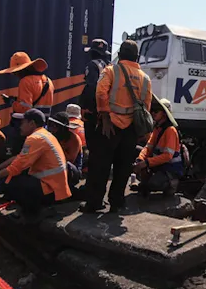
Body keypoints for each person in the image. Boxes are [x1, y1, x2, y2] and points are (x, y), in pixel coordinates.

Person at [80, 40, 152, 213]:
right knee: (123, 167)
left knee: (100, 165)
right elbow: (146, 105)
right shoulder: (145, 78)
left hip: (109, 126)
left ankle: (95, 202)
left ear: (119, 55)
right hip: (131, 129)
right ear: (137, 57)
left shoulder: (111, 70)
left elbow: (100, 91)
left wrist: (104, 115)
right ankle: (117, 203)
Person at [0, 109, 71, 216]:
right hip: (55, 187)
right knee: (12, 179)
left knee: (10, 183)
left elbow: (15, 168)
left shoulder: (35, 139)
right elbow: (18, 158)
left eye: (23, 123)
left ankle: (33, 213)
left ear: (32, 123)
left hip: (50, 189)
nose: (20, 126)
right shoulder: (43, 134)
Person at [133, 97, 183, 196]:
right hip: (159, 166)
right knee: (134, 150)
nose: (153, 113)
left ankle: (171, 184)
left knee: (153, 184)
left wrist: (146, 163)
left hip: (170, 169)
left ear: (164, 114)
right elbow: (148, 147)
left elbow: (167, 156)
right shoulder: (157, 128)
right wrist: (140, 160)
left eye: (156, 111)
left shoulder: (170, 130)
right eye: (152, 110)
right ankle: (145, 182)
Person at [78, 39, 109, 180]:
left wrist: (88, 109)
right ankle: (99, 178)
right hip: (105, 114)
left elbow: (92, 87)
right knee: (103, 149)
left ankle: (92, 180)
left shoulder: (92, 65)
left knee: (93, 148)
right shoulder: (109, 67)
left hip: (93, 114)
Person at [0, 52, 54, 118]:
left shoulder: (25, 81)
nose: (15, 75)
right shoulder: (48, 81)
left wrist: (11, 101)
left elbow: (24, 108)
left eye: (15, 72)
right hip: (44, 123)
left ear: (21, 70)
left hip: (30, 125)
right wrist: (16, 99)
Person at [47, 112, 82, 190]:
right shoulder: (51, 136)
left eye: (55, 126)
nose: (52, 128)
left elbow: (70, 160)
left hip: (72, 170)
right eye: (51, 125)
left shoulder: (73, 139)